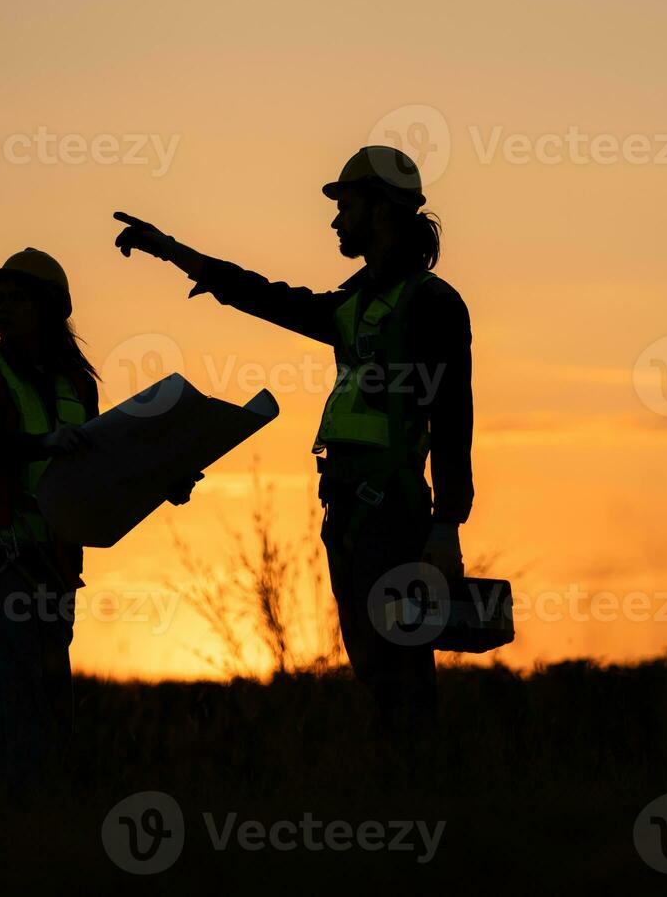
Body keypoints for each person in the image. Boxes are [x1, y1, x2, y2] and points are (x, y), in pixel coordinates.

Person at [112, 146, 474, 730]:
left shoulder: (432, 304)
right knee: (375, 671)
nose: (335, 221)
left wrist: (446, 526)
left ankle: (421, 801)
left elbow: (454, 420)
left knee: (403, 672)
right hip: (347, 508)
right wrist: (175, 252)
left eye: (347, 205)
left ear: (381, 211)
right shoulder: (353, 305)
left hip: (395, 514)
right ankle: (404, 798)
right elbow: (271, 298)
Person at [0, 247, 199, 791]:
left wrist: (164, 483)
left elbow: (101, 471)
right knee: (9, 702)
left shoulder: (78, 386)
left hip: (54, 569)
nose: (1, 308)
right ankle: (16, 819)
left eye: (15, 298)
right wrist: (46, 442)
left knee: (49, 700)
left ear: (49, 308)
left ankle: (45, 817)